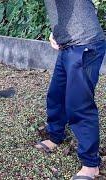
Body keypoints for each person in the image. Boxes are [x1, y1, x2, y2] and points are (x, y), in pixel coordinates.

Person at [35, 0, 106, 179]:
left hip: (86, 45)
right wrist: (56, 31)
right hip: (68, 46)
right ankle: (55, 136)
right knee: (56, 95)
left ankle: (91, 164)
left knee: (79, 103)